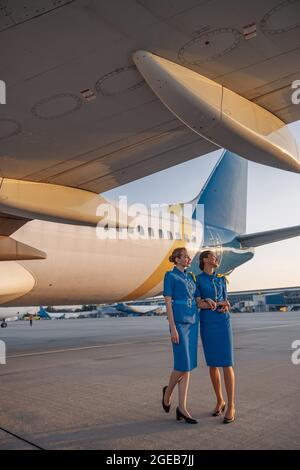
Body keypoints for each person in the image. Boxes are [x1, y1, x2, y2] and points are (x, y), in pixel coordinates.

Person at [195, 250, 235, 424]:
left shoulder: (221, 279)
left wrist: (222, 305)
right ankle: (220, 400)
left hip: (223, 323)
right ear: (204, 260)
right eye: (212, 257)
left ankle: (231, 405)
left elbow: (227, 301)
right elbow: (199, 303)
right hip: (207, 324)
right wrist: (209, 303)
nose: (215, 259)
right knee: (212, 364)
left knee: (227, 363)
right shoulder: (198, 279)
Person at [162, 247, 199, 424]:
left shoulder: (190, 277)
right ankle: (167, 392)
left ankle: (182, 407)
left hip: (193, 322)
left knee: (188, 366)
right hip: (179, 323)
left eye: (188, 257)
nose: (188, 259)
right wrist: (173, 327)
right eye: (184, 257)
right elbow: (168, 303)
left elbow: (197, 298)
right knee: (182, 365)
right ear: (176, 259)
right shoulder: (170, 276)